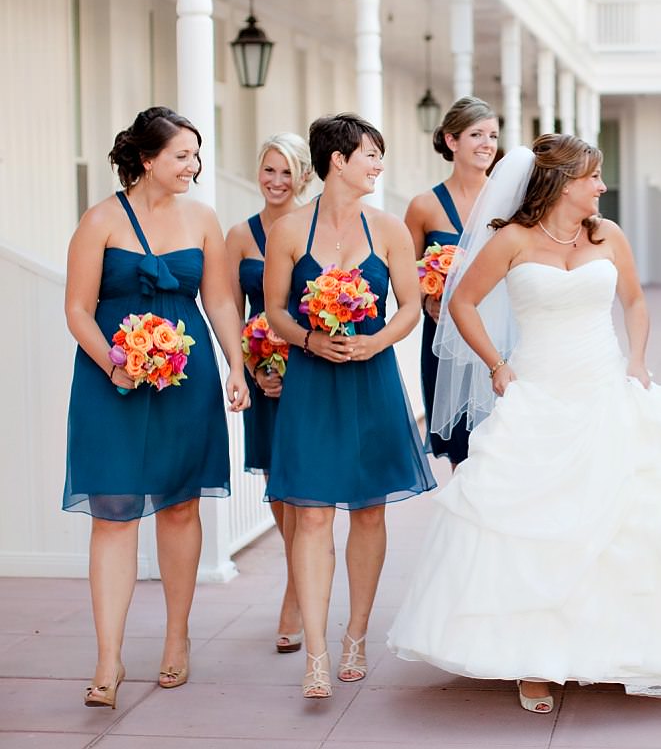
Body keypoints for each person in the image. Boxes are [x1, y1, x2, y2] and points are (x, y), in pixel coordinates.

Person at [388, 136, 661, 713]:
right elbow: (462, 302)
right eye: (593, 177)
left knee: (633, 514)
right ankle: (532, 660)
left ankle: (619, 644)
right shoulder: (511, 239)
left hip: (605, 383)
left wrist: (637, 359)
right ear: (562, 183)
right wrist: (497, 364)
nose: (602, 187)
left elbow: (634, 302)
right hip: (537, 388)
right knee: (535, 520)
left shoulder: (607, 236)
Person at [64, 107, 249, 708]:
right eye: (181, 155)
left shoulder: (202, 218)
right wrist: (112, 362)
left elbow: (221, 301)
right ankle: (108, 658)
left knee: (178, 506)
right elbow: (76, 309)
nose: (193, 166)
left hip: (184, 380)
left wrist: (236, 367)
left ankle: (176, 638)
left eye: (196, 155)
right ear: (147, 159)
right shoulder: (98, 221)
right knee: (113, 514)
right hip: (108, 381)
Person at [263, 113, 435, 699]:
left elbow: (410, 307)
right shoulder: (288, 232)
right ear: (338, 160)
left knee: (369, 511)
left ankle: (355, 636)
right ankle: (315, 654)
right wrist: (310, 339)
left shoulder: (389, 230)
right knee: (311, 514)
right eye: (370, 154)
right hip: (311, 382)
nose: (377, 165)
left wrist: (374, 340)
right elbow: (277, 313)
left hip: (373, 381)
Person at [224, 133, 314, 654]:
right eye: (268, 170)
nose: (276, 181)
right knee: (278, 486)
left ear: (303, 175)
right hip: (264, 373)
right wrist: (252, 367)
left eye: (286, 171)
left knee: (304, 482)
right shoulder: (239, 235)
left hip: (309, 365)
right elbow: (233, 313)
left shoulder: (315, 227)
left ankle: (296, 594)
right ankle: (299, 577)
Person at [404, 97, 499, 468]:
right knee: (461, 453)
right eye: (476, 134)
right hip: (443, 340)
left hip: (497, 337)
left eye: (492, 134)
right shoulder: (423, 206)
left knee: (501, 444)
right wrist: (426, 296)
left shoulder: (511, 201)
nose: (487, 143)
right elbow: (406, 276)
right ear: (451, 140)